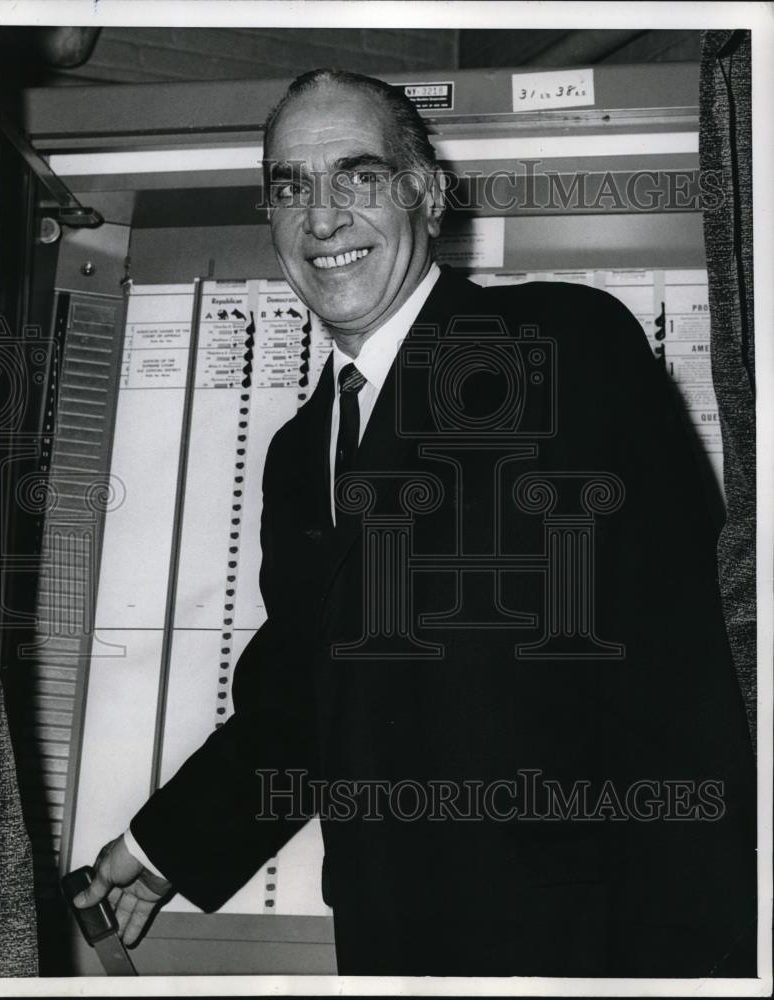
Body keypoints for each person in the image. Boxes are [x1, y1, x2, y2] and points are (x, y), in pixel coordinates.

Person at [75, 68, 756, 976]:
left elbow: (685, 683)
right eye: (290, 187)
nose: (321, 219)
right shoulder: (297, 452)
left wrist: (694, 970)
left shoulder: (556, 347)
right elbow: (304, 704)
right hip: (391, 946)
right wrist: (156, 852)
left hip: (582, 953)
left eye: (358, 176)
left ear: (428, 192)